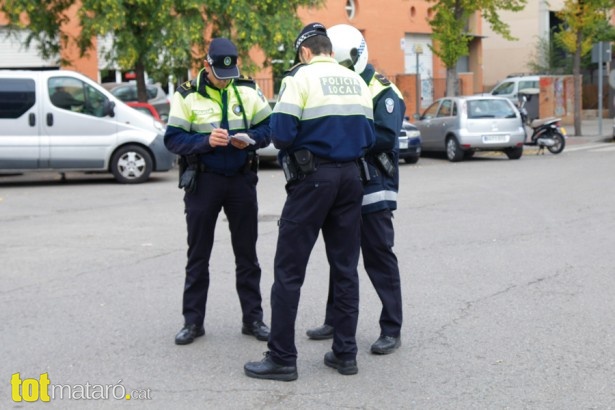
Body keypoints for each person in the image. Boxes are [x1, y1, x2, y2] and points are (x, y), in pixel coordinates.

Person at [244, 22, 375, 381]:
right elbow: (369, 135)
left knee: (288, 271)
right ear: (329, 50)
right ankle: (345, 353)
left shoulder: (299, 79)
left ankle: (282, 358)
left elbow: (282, 134)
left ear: (304, 52)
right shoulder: (357, 81)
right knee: (346, 268)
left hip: (312, 181)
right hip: (351, 179)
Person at [164, 37, 272, 346]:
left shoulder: (248, 90)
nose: (226, 82)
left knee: (247, 255)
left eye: (230, 76)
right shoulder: (187, 95)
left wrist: (249, 138)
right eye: (220, 76)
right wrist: (204, 142)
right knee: (198, 254)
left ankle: (253, 319)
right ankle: (192, 322)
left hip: (240, 180)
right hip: (204, 181)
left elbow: (269, 128)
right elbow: (172, 140)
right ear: (207, 66)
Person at [305, 24, 405, 355]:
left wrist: (344, 137)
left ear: (356, 57)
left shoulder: (383, 91)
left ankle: (391, 328)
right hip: (345, 186)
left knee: (379, 259)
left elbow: (387, 138)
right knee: (341, 258)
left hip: (374, 187)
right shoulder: (341, 84)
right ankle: (335, 319)